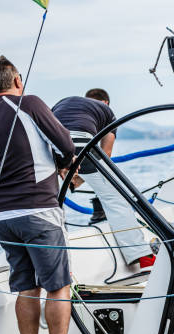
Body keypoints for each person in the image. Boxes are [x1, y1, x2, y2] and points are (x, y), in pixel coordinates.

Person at [0, 56, 93, 334]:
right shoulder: (29, 103)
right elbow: (66, 143)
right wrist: (62, 163)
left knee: (26, 287)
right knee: (59, 287)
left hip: (3, 218)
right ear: (17, 80)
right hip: (39, 213)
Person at [52, 89, 156, 270]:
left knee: (52, 200)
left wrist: (71, 173)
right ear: (105, 102)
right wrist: (81, 175)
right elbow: (105, 154)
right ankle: (139, 254)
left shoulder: (64, 101)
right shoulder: (107, 112)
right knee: (115, 198)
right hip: (81, 142)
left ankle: (56, 254)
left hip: (51, 143)